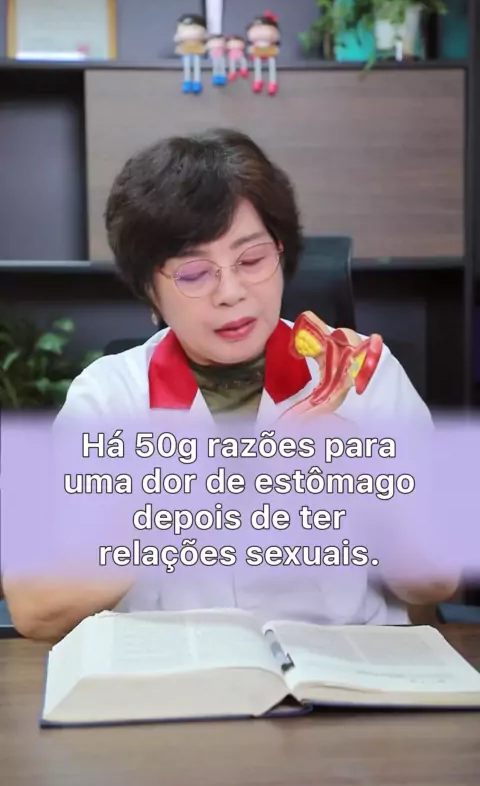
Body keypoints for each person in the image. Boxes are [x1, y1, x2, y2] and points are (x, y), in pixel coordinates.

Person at [3, 128, 458, 642]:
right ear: (150, 290)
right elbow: (35, 608)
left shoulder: (359, 375)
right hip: (177, 678)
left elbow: (436, 580)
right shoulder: (108, 398)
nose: (231, 292)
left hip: (343, 674)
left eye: (252, 259)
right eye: (195, 273)